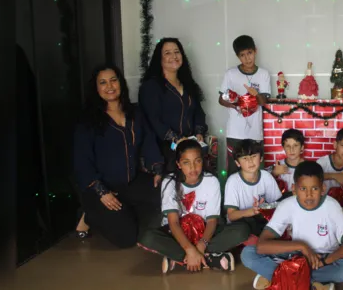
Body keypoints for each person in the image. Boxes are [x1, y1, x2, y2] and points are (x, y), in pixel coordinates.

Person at [241, 161, 343, 290]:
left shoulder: (331, 206)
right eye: (303, 188)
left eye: (314, 188)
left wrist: (323, 262)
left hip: (324, 258)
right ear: (294, 189)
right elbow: (261, 246)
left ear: (323, 189)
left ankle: (280, 278)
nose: (309, 195)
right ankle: (315, 285)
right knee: (248, 253)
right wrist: (302, 246)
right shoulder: (287, 205)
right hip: (296, 255)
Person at [73, 65, 163, 248]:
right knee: (126, 239)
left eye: (113, 80)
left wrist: (157, 168)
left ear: (120, 83)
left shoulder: (135, 113)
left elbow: (148, 141)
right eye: (103, 82)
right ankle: (88, 213)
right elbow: (82, 161)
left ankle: (124, 208)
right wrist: (101, 192)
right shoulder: (88, 120)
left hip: (131, 182)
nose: (110, 86)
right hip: (101, 188)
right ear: (96, 88)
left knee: (167, 194)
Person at [137, 139, 235, 274]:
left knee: (241, 230)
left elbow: (212, 221)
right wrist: (190, 250)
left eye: (197, 161)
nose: (193, 168)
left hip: (204, 234)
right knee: (147, 237)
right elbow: (173, 222)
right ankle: (208, 258)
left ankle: (179, 257)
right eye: (186, 163)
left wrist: (200, 247)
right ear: (178, 164)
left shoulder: (211, 181)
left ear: (203, 161)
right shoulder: (169, 182)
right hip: (176, 235)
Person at [139, 38, 208, 173]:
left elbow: (198, 112)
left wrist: (199, 132)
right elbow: (153, 120)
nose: (173, 56)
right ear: (159, 58)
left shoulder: (187, 83)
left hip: (190, 149)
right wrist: (176, 139)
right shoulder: (152, 86)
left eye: (177, 52)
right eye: (167, 53)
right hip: (164, 152)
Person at [218, 35, 271, 175]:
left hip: (255, 133)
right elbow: (221, 99)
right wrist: (236, 105)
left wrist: (255, 95)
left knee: (255, 172)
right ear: (238, 56)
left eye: (250, 53)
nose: (247, 58)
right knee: (233, 171)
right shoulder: (230, 74)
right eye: (242, 55)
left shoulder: (263, 74)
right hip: (235, 132)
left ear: (255, 51)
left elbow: (264, 102)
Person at [223, 139, 282, 247]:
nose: (250, 161)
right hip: (242, 222)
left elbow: (277, 204)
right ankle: (259, 242)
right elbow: (231, 215)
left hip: (260, 219)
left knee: (286, 203)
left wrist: (263, 207)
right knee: (244, 228)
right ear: (237, 163)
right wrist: (251, 211)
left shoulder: (266, 177)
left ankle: (261, 241)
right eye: (245, 158)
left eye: (254, 156)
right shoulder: (233, 181)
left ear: (261, 158)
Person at [270, 128, 306, 195]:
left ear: (302, 147)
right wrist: (273, 173)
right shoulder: (278, 165)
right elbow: (261, 180)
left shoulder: (309, 167)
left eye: (295, 145)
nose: (291, 149)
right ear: (283, 147)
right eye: (288, 146)